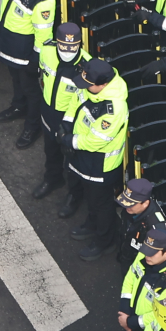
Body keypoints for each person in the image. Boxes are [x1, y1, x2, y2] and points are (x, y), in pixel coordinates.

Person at [67, 59, 130, 255]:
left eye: (89, 85)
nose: (85, 87)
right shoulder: (93, 89)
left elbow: (96, 141)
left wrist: (71, 141)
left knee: (101, 203)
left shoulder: (114, 108)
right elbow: (76, 104)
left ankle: (104, 240)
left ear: (103, 84)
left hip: (102, 163)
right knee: (91, 198)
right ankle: (92, 223)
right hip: (85, 157)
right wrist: (66, 124)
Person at [0, 0, 56, 140]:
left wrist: (36, 58)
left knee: (30, 88)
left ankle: (32, 125)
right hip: (9, 39)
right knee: (15, 79)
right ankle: (18, 106)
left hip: (25, 47)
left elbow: (43, 32)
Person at [33, 23, 89, 212]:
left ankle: (74, 195)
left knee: (72, 160)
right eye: (64, 46)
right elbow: (41, 75)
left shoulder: (87, 67)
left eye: (72, 47)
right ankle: (52, 179)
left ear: (79, 45)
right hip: (49, 110)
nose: (68, 51)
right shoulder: (47, 51)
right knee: (50, 150)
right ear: (57, 43)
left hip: (71, 120)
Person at [109, 225, 166, 331]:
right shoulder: (146, 254)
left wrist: (131, 322)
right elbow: (131, 276)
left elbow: (161, 316)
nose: (147, 256)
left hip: (150, 327)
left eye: (152, 253)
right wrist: (125, 309)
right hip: (132, 313)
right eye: (146, 250)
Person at [116, 179, 166, 272]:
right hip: (127, 253)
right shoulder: (131, 210)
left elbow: (158, 259)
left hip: (139, 266)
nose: (126, 206)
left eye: (131, 204)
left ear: (145, 203)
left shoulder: (157, 228)